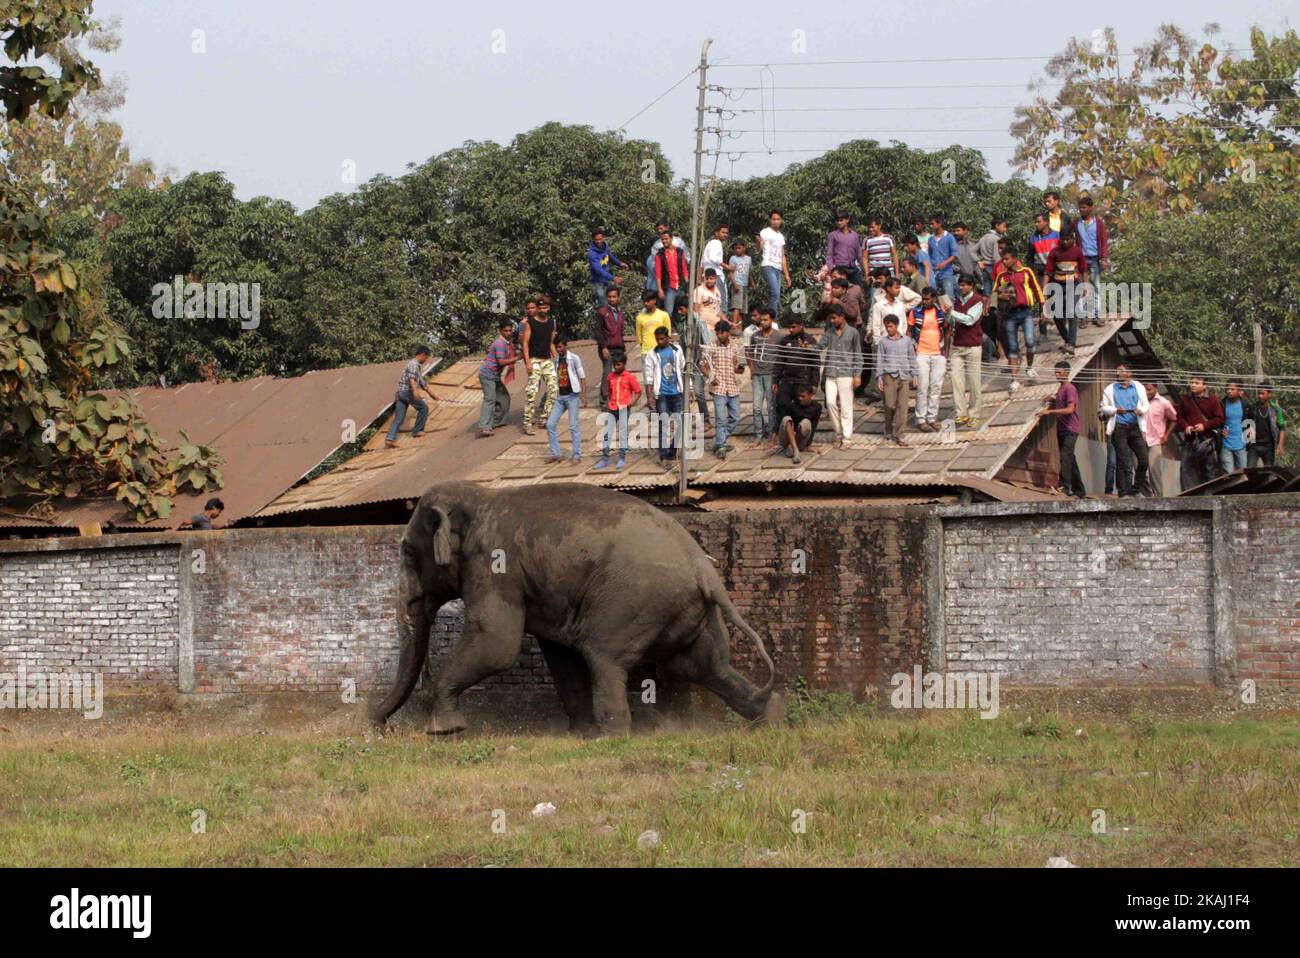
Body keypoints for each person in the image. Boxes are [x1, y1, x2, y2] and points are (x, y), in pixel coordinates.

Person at [991, 247, 1044, 392]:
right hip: (1009, 315)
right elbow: (993, 295)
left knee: (1030, 341)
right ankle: (1014, 380)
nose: (1004, 261)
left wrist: (1043, 309)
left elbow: (1036, 289)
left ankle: (1030, 367)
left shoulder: (1026, 272)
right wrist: (999, 297)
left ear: (1014, 258)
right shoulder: (1001, 276)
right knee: (1012, 348)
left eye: (1006, 259)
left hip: (1026, 312)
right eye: (1003, 259)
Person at [1036, 361, 1085, 498]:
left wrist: (1050, 412)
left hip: (1071, 428)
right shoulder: (1061, 389)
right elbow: (1062, 400)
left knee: (1065, 457)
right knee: (1070, 459)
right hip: (1062, 428)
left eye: (1060, 372)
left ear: (1067, 372)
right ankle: (1080, 491)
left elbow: (1070, 409)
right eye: (1056, 372)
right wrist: (1053, 398)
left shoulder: (1070, 388)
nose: (1057, 375)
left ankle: (1064, 487)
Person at [1100, 363, 1150, 498]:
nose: (1118, 373)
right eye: (1117, 371)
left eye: (1121, 371)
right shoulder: (1110, 389)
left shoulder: (1138, 386)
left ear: (1129, 373)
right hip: (1119, 428)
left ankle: (1135, 489)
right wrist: (1116, 410)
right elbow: (1103, 407)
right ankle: (1123, 493)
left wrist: (1141, 411)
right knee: (1122, 462)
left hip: (1135, 427)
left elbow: (1146, 404)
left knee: (1144, 461)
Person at [818, 303, 863, 448]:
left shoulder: (853, 332)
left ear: (842, 317)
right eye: (831, 319)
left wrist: (857, 375)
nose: (832, 321)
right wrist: (805, 347)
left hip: (846, 373)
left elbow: (858, 355)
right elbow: (819, 347)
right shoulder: (829, 332)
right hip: (831, 372)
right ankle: (838, 432)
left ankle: (847, 437)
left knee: (846, 406)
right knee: (830, 403)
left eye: (834, 318)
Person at [700, 320, 747, 457]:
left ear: (728, 333)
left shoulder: (734, 347)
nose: (720, 335)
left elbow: (737, 368)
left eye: (722, 333)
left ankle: (720, 441)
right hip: (718, 387)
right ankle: (721, 446)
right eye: (718, 333)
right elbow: (702, 365)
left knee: (735, 416)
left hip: (732, 387)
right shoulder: (711, 346)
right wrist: (710, 376)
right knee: (721, 419)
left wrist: (740, 369)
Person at [907, 287, 950, 432]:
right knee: (922, 388)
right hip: (921, 354)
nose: (925, 302)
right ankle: (920, 419)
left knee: (936, 387)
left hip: (939, 354)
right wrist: (910, 353)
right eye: (923, 299)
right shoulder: (915, 312)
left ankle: (932, 418)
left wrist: (946, 353)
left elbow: (948, 331)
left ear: (934, 299)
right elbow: (909, 332)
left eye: (927, 299)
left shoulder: (941, 312)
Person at [949, 273, 986, 430]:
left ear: (971, 286)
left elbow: (970, 319)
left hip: (972, 346)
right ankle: (961, 413)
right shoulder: (957, 301)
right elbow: (953, 321)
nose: (961, 287)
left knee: (974, 382)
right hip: (957, 346)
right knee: (956, 381)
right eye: (960, 285)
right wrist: (948, 314)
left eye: (964, 285)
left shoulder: (978, 300)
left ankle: (974, 414)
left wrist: (951, 312)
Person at [1043, 227, 1088, 355]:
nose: (1065, 242)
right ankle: (1068, 340)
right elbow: (1047, 272)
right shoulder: (1054, 252)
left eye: (1067, 239)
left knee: (1071, 312)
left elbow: (1084, 269)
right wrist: (1044, 290)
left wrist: (1085, 286)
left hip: (1073, 284)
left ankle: (1071, 344)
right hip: (1057, 285)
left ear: (1072, 239)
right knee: (1057, 316)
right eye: (1062, 239)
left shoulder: (1077, 252)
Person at [644, 326, 686, 462]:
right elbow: (648, 377)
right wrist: (650, 397)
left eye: (662, 339)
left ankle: (672, 451)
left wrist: (689, 390)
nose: (660, 342)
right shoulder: (651, 354)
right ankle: (662, 454)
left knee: (682, 423)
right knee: (663, 425)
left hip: (677, 392)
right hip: (661, 394)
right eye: (657, 340)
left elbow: (684, 369)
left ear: (668, 337)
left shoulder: (677, 350)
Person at [595, 350, 642, 471]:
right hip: (612, 408)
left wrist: (631, 403)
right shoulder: (610, 376)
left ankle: (621, 458)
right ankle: (605, 458)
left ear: (624, 364)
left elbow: (638, 391)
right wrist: (608, 400)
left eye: (618, 364)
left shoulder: (629, 377)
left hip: (623, 408)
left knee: (622, 434)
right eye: (614, 365)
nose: (616, 367)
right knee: (606, 433)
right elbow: (608, 391)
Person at [875, 314, 918, 446]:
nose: (888, 329)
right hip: (889, 376)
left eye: (891, 326)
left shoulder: (907, 341)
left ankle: (900, 434)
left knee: (903, 406)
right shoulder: (883, 342)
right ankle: (888, 429)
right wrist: (879, 377)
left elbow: (912, 358)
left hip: (904, 376)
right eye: (887, 327)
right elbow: (880, 360)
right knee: (889, 404)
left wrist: (915, 375)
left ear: (896, 326)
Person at [1176, 375, 1225, 490]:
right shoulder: (1185, 399)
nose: (1193, 385)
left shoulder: (1213, 399)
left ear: (1204, 385)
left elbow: (1219, 418)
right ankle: (1190, 496)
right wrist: (1186, 426)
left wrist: (1204, 426)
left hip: (1207, 440)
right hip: (1190, 440)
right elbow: (1179, 417)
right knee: (1186, 468)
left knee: (1209, 470)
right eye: (1192, 382)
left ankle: (1211, 495)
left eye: (1197, 383)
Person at [520, 296, 558, 436]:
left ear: (548, 308)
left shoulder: (552, 323)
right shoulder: (530, 322)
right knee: (532, 392)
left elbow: (551, 343)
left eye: (545, 307)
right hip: (534, 359)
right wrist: (528, 362)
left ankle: (544, 418)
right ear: (537, 308)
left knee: (554, 388)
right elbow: (525, 342)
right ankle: (527, 422)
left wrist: (557, 360)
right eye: (540, 307)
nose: (542, 310)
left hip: (547, 359)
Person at [544, 335, 586, 464]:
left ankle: (577, 455)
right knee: (550, 424)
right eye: (557, 347)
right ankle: (556, 453)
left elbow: (582, 377)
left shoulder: (574, 358)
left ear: (566, 346)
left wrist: (584, 396)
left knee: (573, 426)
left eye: (560, 347)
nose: (559, 349)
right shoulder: (556, 361)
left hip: (572, 396)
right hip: (560, 397)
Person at [385, 345, 437, 447]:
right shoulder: (413, 364)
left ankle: (389, 439)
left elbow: (422, 382)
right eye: (426, 358)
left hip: (400, 393)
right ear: (422, 355)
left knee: (399, 418)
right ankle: (417, 431)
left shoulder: (415, 365)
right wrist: (415, 391)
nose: (425, 360)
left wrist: (431, 394)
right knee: (423, 408)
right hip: (407, 392)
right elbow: (411, 378)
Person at [477, 318, 519, 437]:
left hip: (494, 377)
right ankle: (485, 426)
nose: (508, 333)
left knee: (504, 398)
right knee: (490, 400)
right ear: (500, 331)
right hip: (487, 376)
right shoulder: (500, 344)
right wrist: (517, 358)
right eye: (506, 331)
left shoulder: (507, 343)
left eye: (510, 330)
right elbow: (501, 362)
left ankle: (496, 422)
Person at [746, 307, 781, 445]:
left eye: (766, 320)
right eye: (761, 320)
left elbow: (782, 355)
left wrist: (778, 375)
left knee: (771, 406)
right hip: (757, 375)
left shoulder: (779, 336)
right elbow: (749, 351)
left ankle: (772, 433)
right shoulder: (755, 335)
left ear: (772, 320)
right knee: (756, 407)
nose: (763, 322)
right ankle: (758, 434)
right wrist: (752, 367)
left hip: (771, 374)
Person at [1074, 194, 1109, 327]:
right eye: (1080, 208)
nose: (1081, 210)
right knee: (1082, 288)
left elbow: (1104, 242)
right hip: (1081, 259)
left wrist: (1104, 258)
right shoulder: (1077, 223)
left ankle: (1097, 315)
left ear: (1090, 208)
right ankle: (1082, 317)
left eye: (1084, 208)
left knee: (1096, 288)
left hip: (1095, 259)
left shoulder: (1099, 224)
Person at [592, 286, 627, 406]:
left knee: (620, 374)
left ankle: (619, 398)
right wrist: (603, 347)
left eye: (614, 296)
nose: (612, 299)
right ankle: (603, 401)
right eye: (610, 297)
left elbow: (620, 332)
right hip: (607, 348)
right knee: (607, 374)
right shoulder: (602, 312)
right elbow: (598, 331)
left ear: (619, 297)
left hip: (619, 347)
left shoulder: (620, 312)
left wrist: (623, 348)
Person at [1142, 381, 1179, 495]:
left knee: (1155, 471)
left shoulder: (1164, 403)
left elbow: (1174, 419)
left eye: (1149, 389)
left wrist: (1166, 435)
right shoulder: (1139, 401)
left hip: (1155, 441)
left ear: (1156, 388)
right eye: (1145, 390)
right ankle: (1147, 497)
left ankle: (1159, 498)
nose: (1147, 392)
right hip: (1139, 440)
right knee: (1140, 470)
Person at [868, 275, 921, 346]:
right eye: (896, 288)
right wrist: (878, 342)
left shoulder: (900, 305)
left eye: (899, 288)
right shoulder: (878, 306)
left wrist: (903, 337)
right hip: (884, 342)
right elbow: (876, 326)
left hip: (900, 342)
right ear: (888, 288)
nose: (899, 290)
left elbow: (904, 323)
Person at [635, 289, 672, 390]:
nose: (646, 303)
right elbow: (639, 337)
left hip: (662, 351)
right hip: (647, 352)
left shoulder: (663, 315)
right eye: (644, 301)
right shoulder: (639, 317)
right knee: (648, 380)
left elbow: (668, 333)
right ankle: (651, 401)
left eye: (648, 301)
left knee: (665, 377)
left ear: (654, 300)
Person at [776, 383, 822, 463]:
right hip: (788, 437)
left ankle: (792, 447)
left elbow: (814, 425)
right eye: (799, 396)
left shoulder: (817, 407)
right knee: (786, 418)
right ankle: (795, 449)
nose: (800, 398)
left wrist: (809, 445)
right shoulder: (793, 405)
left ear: (810, 395)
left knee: (806, 422)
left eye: (803, 396)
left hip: (801, 438)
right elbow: (782, 421)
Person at [757, 210, 791, 315]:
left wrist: (787, 275)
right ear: (770, 220)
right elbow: (760, 248)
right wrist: (758, 242)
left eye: (778, 219)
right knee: (775, 293)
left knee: (775, 295)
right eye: (773, 219)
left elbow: (782, 256)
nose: (775, 221)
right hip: (768, 265)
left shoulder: (781, 236)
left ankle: (770, 320)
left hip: (778, 268)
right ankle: (771, 321)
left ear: (781, 221)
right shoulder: (765, 232)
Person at [654, 227, 691, 318]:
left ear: (671, 239)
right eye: (662, 239)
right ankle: (668, 331)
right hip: (669, 287)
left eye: (666, 239)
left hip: (681, 286)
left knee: (684, 310)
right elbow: (658, 273)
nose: (664, 241)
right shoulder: (660, 254)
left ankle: (683, 330)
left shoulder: (679, 252)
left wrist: (687, 288)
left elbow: (684, 270)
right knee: (668, 312)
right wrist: (660, 289)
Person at [1248, 382, 1287, 467]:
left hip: (1269, 446)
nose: (1260, 396)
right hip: (1254, 446)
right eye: (1258, 393)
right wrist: (1247, 444)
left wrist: (1280, 445)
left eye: (1263, 393)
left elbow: (1282, 428)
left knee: (1269, 473)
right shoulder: (1253, 407)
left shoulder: (1276, 409)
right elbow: (1248, 424)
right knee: (1249, 472)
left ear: (1269, 394)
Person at [586, 229, 625, 310]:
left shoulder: (605, 246)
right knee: (605, 308)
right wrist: (613, 278)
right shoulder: (592, 254)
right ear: (593, 240)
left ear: (603, 238)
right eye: (596, 240)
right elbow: (598, 270)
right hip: (597, 284)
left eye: (600, 239)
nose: (599, 241)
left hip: (606, 282)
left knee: (615, 304)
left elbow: (609, 256)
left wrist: (619, 263)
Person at [927, 215, 959, 304]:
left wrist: (944, 263)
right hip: (934, 273)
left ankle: (950, 317)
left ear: (939, 224)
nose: (931, 226)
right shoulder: (931, 239)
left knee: (949, 298)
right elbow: (929, 255)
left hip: (946, 273)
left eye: (932, 224)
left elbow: (954, 255)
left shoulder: (949, 237)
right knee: (934, 298)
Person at [1219, 381, 1250, 475]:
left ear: (1239, 391)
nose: (1229, 391)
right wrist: (1220, 431)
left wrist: (1249, 446)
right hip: (1226, 444)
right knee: (1229, 475)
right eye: (1227, 389)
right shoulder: (1221, 404)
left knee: (1243, 473)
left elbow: (1250, 424)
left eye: (1232, 389)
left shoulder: (1245, 405)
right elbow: (1216, 422)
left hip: (1241, 445)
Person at [701, 225, 732, 314]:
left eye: (726, 233)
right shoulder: (716, 243)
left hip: (707, 276)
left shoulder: (710, 243)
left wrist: (700, 277)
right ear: (716, 233)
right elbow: (713, 258)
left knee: (710, 300)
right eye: (723, 232)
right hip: (716, 275)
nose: (725, 235)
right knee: (720, 300)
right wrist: (726, 266)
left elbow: (702, 263)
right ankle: (721, 323)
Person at [826, 212, 863, 285]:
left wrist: (864, 269)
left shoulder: (854, 235)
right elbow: (829, 254)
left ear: (847, 220)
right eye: (837, 221)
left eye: (841, 220)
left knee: (856, 290)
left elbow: (859, 253)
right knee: (842, 292)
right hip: (840, 269)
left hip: (852, 268)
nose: (839, 223)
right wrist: (832, 270)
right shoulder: (833, 235)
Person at [975, 216, 1007, 298]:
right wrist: (1002, 268)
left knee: (987, 290)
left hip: (985, 267)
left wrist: (979, 260)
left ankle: (986, 308)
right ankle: (993, 308)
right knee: (995, 290)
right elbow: (996, 257)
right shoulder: (996, 239)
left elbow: (972, 251)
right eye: (1004, 226)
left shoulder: (983, 237)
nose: (1005, 229)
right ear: (997, 226)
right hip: (994, 267)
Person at [693, 268, 726, 340]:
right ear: (704, 278)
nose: (709, 281)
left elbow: (718, 310)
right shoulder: (699, 290)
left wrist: (727, 322)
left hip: (717, 329)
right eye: (707, 279)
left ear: (716, 279)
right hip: (705, 328)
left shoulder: (717, 291)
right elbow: (696, 311)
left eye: (711, 279)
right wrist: (700, 328)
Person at [729, 239, 753, 325]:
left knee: (743, 307)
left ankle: (740, 325)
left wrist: (752, 283)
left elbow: (749, 272)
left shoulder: (748, 259)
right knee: (736, 306)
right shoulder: (733, 258)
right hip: (737, 284)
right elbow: (730, 273)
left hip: (745, 285)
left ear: (744, 248)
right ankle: (734, 325)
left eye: (739, 248)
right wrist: (735, 284)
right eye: (735, 249)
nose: (737, 250)